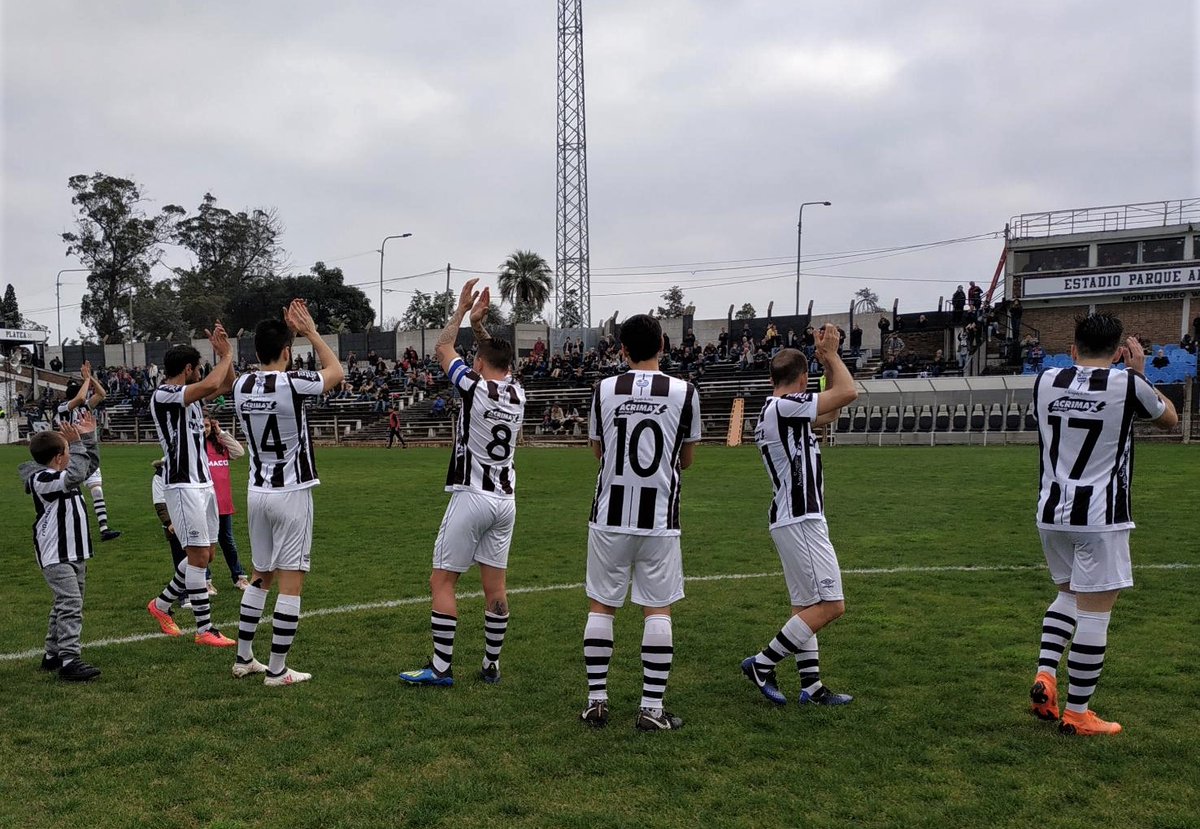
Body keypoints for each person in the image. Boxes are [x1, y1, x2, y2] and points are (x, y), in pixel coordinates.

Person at [1028, 313, 1177, 736]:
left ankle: (1046, 676)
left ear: (1072, 349)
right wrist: (1141, 373)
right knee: (1095, 615)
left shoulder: (1044, 381)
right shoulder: (1127, 384)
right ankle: (1078, 714)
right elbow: (1170, 419)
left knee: (1068, 597)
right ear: (1117, 352)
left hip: (1051, 513)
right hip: (1101, 515)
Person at [580, 313, 701, 732]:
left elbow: (598, 451)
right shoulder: (686, 392)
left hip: (609, 515)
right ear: (663, 345)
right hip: (660, 518)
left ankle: (597, 702)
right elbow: (686, 460)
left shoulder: (603, 389)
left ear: (622, 350)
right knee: (657, 609)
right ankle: (651, 709)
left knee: (602, 605)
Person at [400, 280, 525, 687]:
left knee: (442, 580)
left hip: (472, 495)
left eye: (476, 359)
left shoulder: (475, 386)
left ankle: (440, 668)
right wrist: (482, 328)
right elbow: (498, 359)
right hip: (505, 500)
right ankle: (491, 664)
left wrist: (460, 313)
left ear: (481, 365)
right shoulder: (518, 393)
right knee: (496, 588)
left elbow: (441, 347)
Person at [741, 327, 858, 707]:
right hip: (800, 517)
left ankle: (811, 686)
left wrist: (824, 363)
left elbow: (833, 410)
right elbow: (849, 393)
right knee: (831, 605)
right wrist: (832, 356)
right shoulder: (783, 407)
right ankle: (762, 663)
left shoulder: (780, 411)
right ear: (802, 381)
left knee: (806, 607)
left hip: (793, 517)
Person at [230, 300, 344, 686]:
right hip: (291, 490)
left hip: (256, 490)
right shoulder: (293, 383)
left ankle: (245, 657)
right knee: (291, 580)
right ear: (286, 352)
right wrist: (311, 332)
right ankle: (277, 670)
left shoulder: (240, 384)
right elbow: (336, 372)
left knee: (260, 574)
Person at [144, 325, 238, 648]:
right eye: (197, 367)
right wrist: (224, 355)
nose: (200, 373)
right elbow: (213, 381)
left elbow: (226, 383)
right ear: (188, 369)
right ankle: (205, 629)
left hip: (203, 483)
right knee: (197, 556)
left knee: (206, 555)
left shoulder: (193, 398)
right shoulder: (165, 394)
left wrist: (228, 355)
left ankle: (160, 605)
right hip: (182, 485)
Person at [19, 410, 102, 681]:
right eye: (68, 450)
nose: (73, 454)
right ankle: (70, 659)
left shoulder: (65, 472)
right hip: (55, 552)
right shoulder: (42, 479)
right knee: (70, 603)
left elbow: (88, 465)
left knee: (64, 602)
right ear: (58, 457)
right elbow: (78, 471)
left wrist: (87, 438)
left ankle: (52, 653)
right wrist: (77, 444)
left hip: (74, 550)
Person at [56, 362, 120, 542]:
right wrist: (85, 381)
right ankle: (70, 531)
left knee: (97, 490)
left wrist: (90, 378)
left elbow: (102, 394)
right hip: (72, 455)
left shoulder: (85, 407)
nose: (84, 397)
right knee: (71, 495)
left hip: (89, 455)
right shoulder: (63, 408)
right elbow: (79, 398)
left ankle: (104, 528)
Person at [204, 415, 250, 591]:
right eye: (201, 426)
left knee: (228, 541)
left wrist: (221, 433)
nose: (205, 429)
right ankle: (206, 580)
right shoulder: (195, 448)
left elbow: (239, 452)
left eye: (207, 425)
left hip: (223, 503)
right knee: (205, 543)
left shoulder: (220, 445)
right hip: (205, 503)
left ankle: (239, 577)